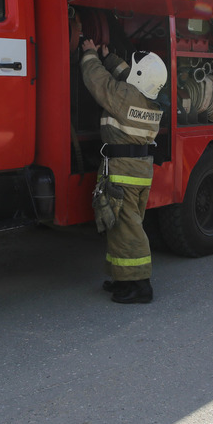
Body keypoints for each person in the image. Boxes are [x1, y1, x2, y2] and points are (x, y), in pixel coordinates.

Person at [79, 38, 167, 304]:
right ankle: (122, 278)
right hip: (139, 173)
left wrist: (90, 55)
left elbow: (98, 82)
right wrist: (112, 59)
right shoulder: (150, 102)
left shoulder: (123, 97)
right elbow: (132, 78)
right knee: (123, 229)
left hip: (123, 174)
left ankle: (141, 287)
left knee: (128, 230)